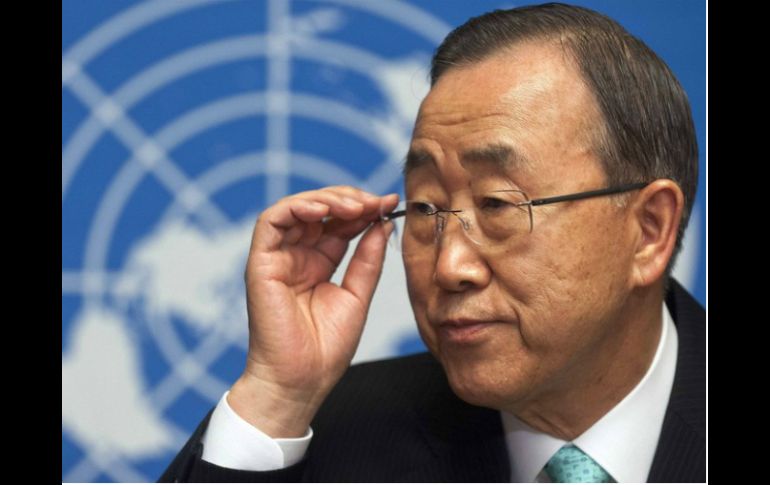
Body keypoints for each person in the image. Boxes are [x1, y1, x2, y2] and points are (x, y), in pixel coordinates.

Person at [160, 3, 705, 482]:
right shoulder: (335, 430)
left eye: (497, 204)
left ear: (648, 230)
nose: (449, 266)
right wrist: (278, 396)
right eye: (425, 208)